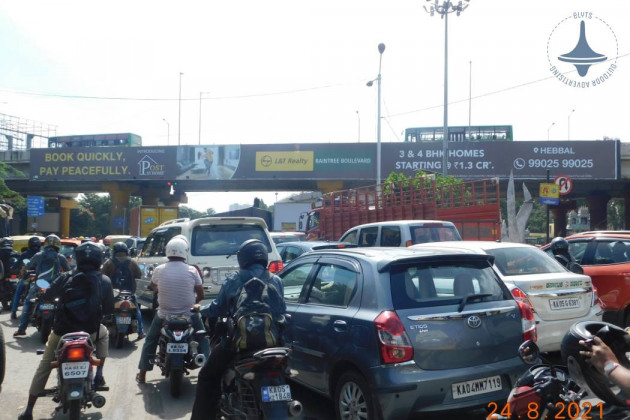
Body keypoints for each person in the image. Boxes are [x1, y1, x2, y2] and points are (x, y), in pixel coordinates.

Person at [191, 239, 286, 419]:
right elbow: (281, 311)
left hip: (238, 344)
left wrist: (200, 309)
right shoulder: (276, 280)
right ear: (264, 257)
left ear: (243, 258)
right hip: (274, 344)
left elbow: (218, 308)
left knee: (206, 376)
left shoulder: (235, 279)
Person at [17, 242, 114, 420]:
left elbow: (46, 295)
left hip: (62, 332)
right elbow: (108, 310)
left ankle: (29, 410)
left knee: (45, 364)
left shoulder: (65, 277)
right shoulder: (104, 280)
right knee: (105, 334)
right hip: (90, 332)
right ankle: (99, 374)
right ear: (98, 259)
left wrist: (43, 297)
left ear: (78, 257)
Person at [135, 236, 208, 384]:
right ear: (185, 252)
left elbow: (153, 285)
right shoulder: (192, 270)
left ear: (168, 251)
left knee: (150, 340)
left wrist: (156, 288)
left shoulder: (159, 270)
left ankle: (142, 374)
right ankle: (208, 371)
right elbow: (201, 294)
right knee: (203, 338)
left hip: (164, 315)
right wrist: (194, 304)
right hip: (189, 314)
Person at [14, 234, 71, 337]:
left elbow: (27, 266)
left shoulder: (39, 255)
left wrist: (22, 273)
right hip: (55, 286)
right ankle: (67, 329)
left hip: (39, 285)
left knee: (27, 303)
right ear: (58, 245)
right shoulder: (60, 257)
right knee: (65, 304)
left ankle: (22, 329)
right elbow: (69, 272)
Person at [101, 242, 145, 339]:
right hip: (130, 293)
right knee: (137, 311)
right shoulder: (132, 262)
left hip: (113, 293)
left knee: (103, 310)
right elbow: (139, 275)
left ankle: (99, 333)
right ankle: (141, 332)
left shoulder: (109, 262)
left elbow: (102, 275)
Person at [10, 237, 42, 319]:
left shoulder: (25, 253)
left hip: (27, 278)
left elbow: (16, 265)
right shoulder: (41, 254)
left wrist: (14, 269)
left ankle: (13, 311)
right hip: (38, 277)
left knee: (18, 291)